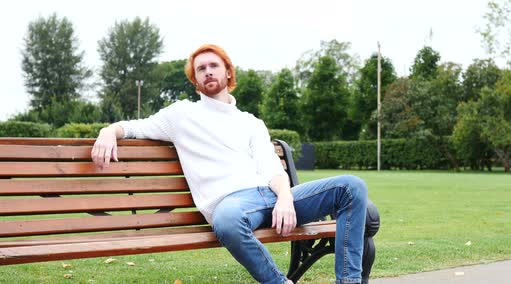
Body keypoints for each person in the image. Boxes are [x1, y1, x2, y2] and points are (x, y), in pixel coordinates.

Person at [91, 44, 368, 284]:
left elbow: (271, 167)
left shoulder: (250, 122)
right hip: (233, 204)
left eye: (214, 65)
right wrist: (108, 131)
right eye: (201, 69)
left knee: (350, 188)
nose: (208, 71)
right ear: (195, 80)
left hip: (270, 196)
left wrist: (285, 198)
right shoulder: (181, 115)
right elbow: (133, 127)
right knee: (226, 220)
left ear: (228, 72)